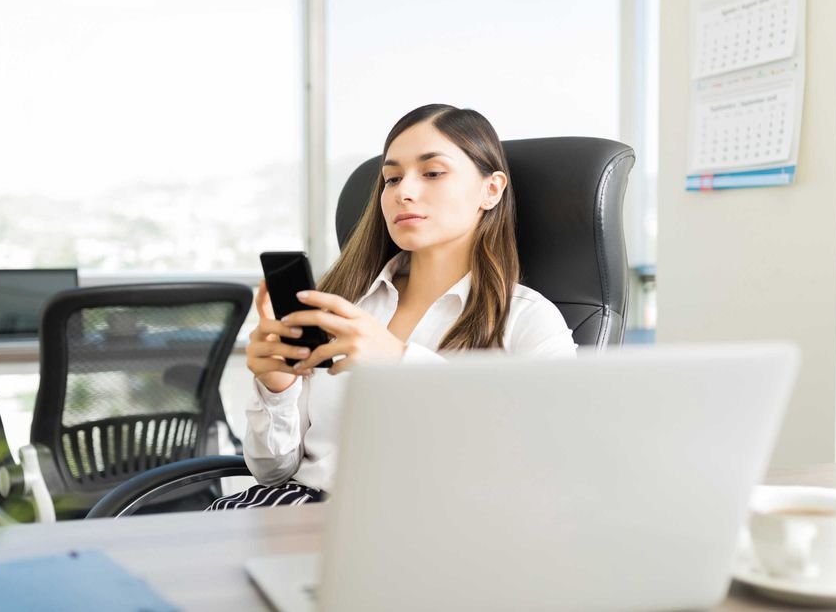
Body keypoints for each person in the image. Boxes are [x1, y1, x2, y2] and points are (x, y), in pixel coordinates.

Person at [207, 104, 576, 510]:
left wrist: (399, 361)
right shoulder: (345, 303)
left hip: (416, 531)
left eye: (432, 173)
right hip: (293, 514)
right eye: (392, 178)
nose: (404, 191)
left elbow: (548, 468)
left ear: (491, 189)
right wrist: (278, 389)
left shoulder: (528, 320)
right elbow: (273, 472)